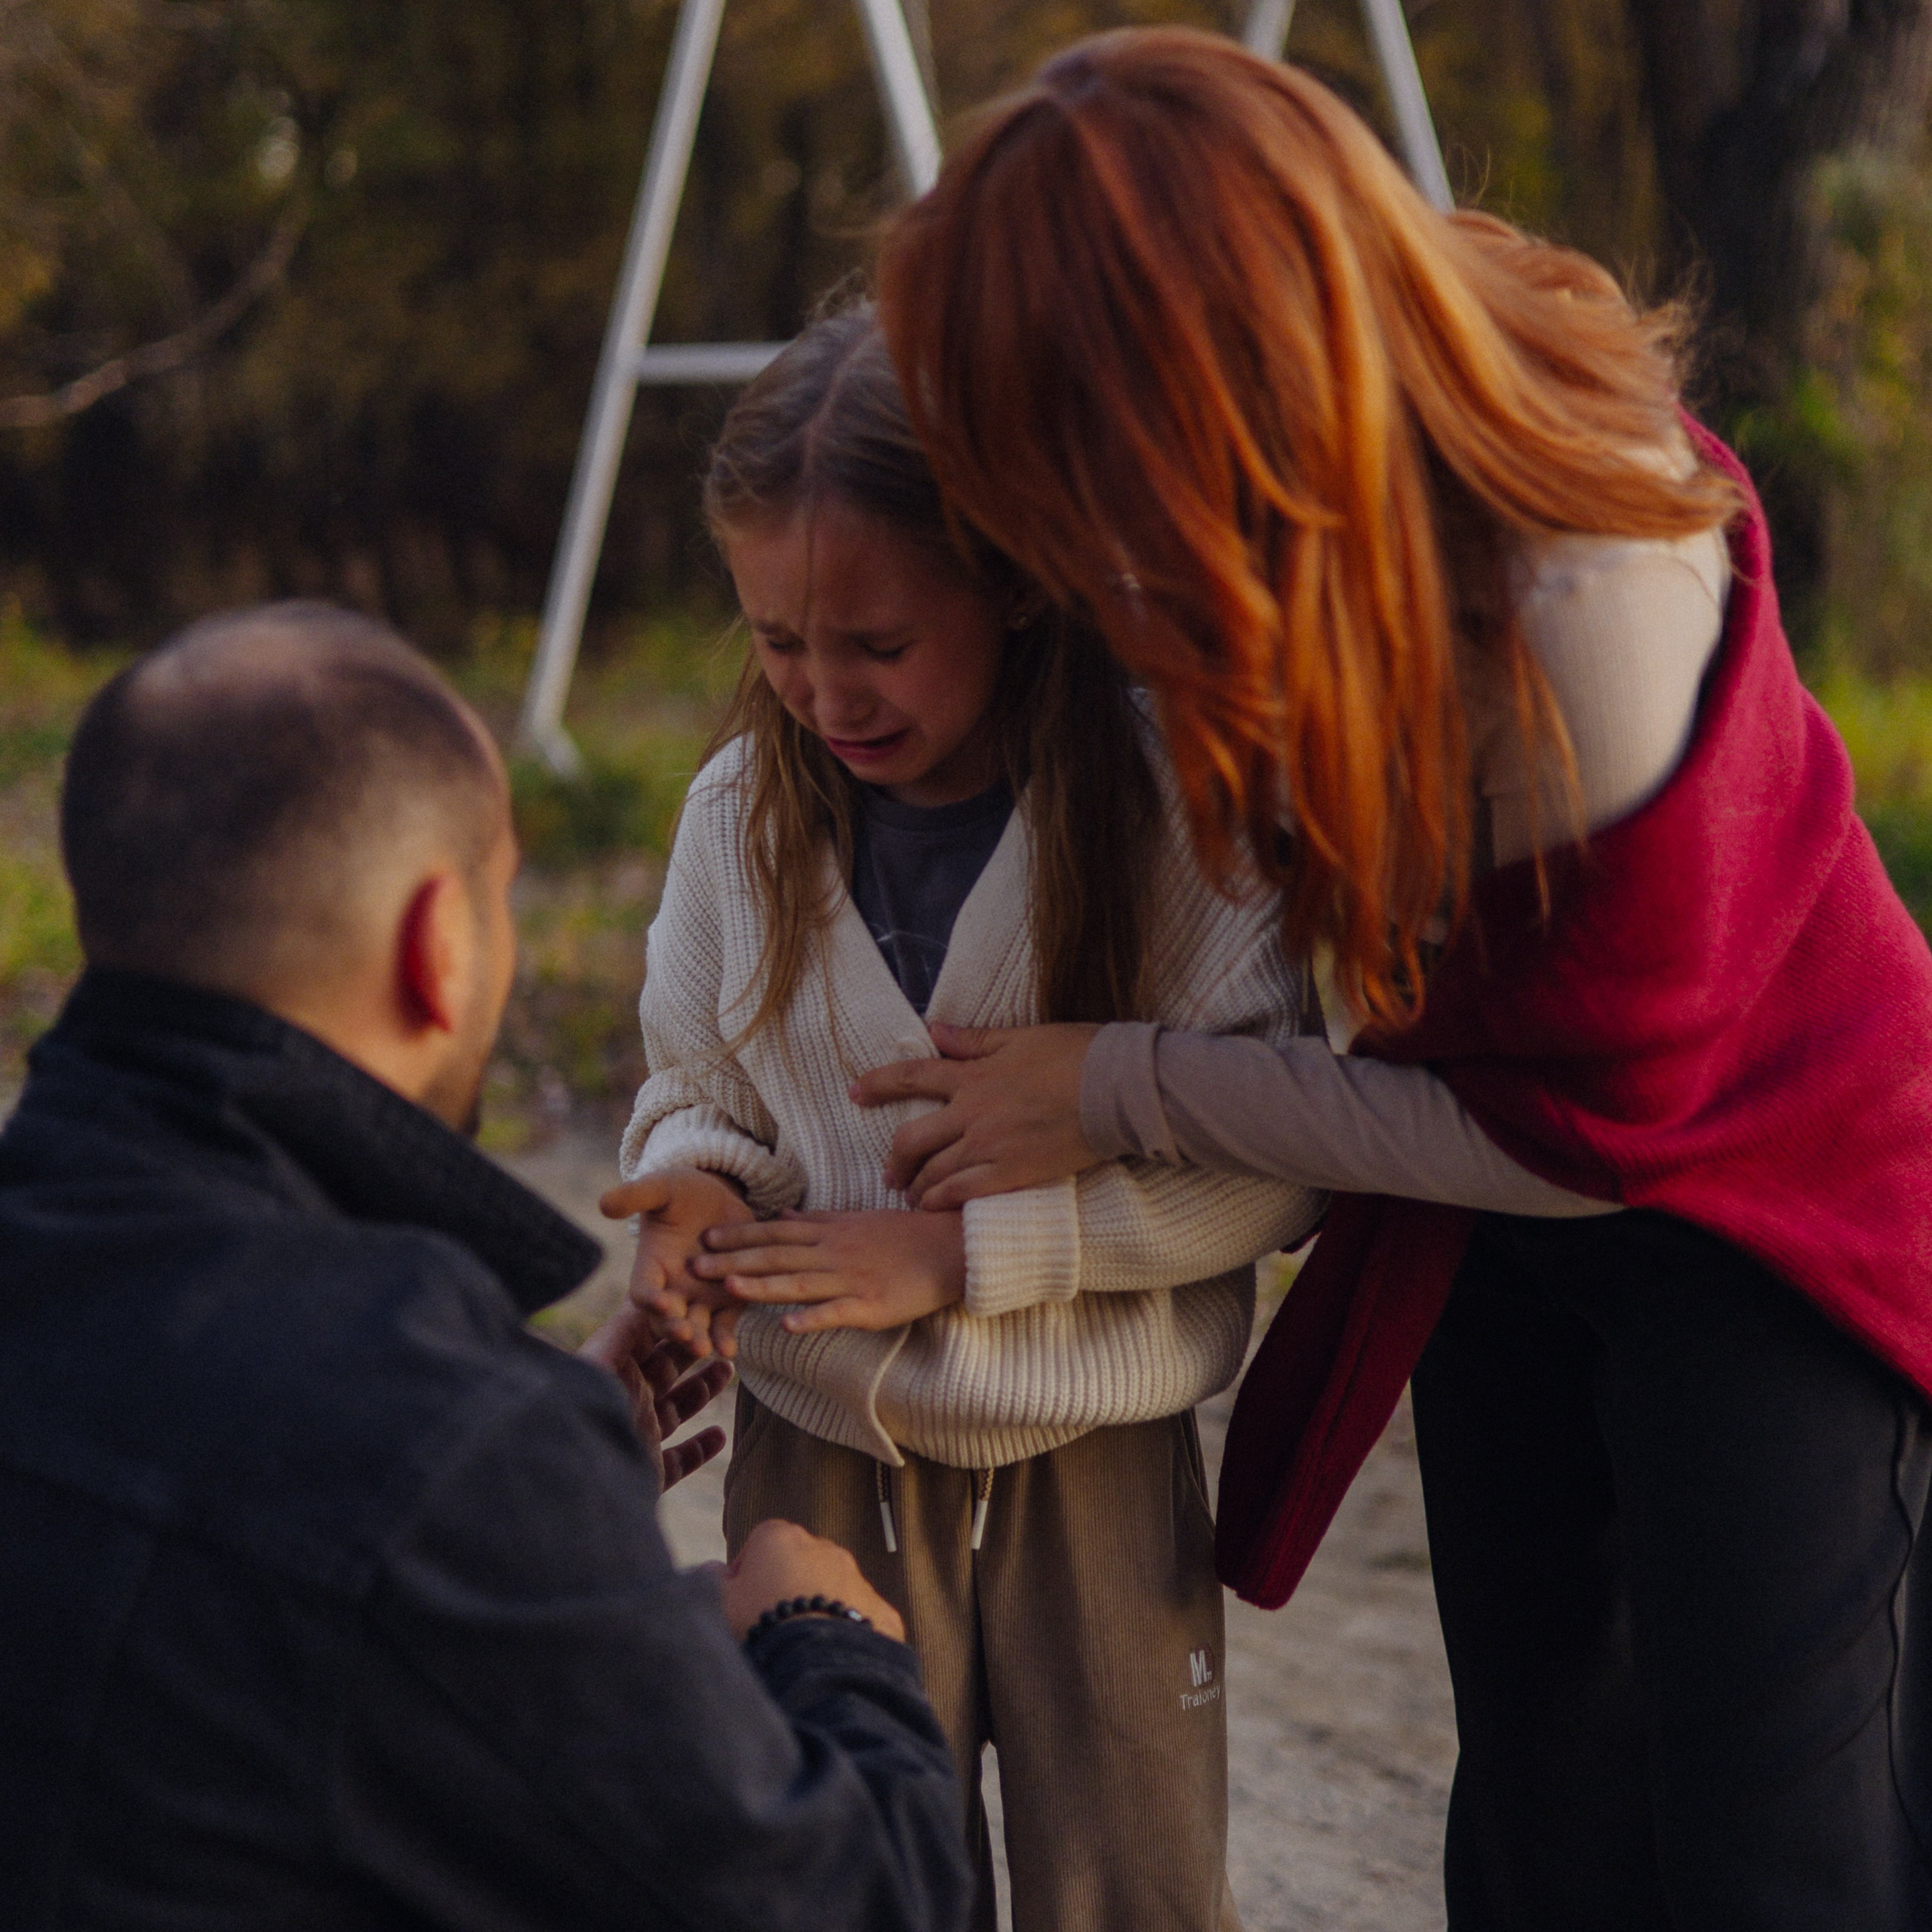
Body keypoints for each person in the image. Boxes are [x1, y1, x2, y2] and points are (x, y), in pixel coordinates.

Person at [849, 29, 1932, 1932]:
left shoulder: (1574, 597)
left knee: (1776, 1832)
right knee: (1540, 1800)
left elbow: (1590, 1136)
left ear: (1203, 404)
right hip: (1482, 1182)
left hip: (1762, 1201)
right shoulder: (1231, 557)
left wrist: (1114, 1080)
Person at [0, 601, 974, 1930]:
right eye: (503, 896)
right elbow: (857, 1906)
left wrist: (538, 1531)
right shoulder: (449, 1449)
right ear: (437, 947)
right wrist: (829, 1641)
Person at [601, 306, 1324, 1932]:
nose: (820, 690)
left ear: (1011, 577)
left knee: (1129, 1877)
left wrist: (964, 1253)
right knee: (839, 1862)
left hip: (1097, 1442)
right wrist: (693, 1194)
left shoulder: (1173, 812)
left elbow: (1270, 1160)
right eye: (777, 640)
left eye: (874, 642)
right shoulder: (741, 818)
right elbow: (694, 1080)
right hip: (817, 1439)